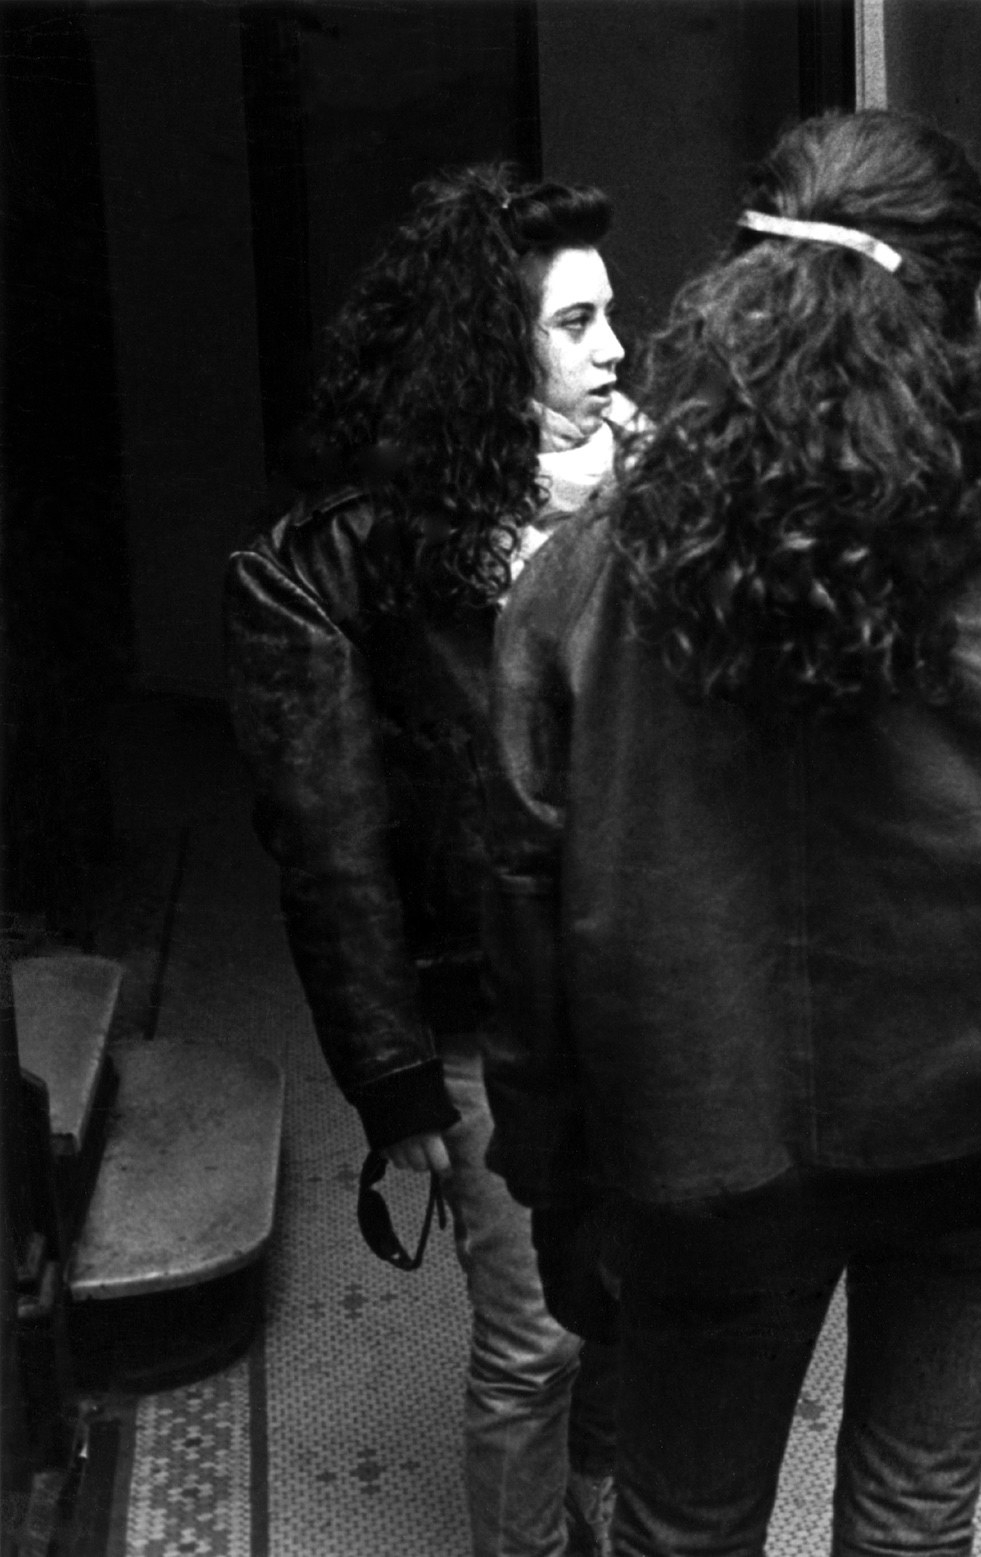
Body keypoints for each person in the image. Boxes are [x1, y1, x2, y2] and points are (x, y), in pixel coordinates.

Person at [479, 109, 981, 1557]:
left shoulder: (584, 581)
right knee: (916, 1519)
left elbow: (522, 913)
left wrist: (555, 1171)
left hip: (698, 1146)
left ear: (738, 308)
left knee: (683, 1524)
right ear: (975, 310)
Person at [225, 166, 630, 1557]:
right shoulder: (331, 564)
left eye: (609, 319)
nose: (616, 353)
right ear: (485, 349)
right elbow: (329, 844)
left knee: (639, 1302)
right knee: (536, 1343)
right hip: (484, 1015)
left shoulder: (648, 508)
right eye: (577, 323)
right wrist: (392, 1076)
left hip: (656, 992)